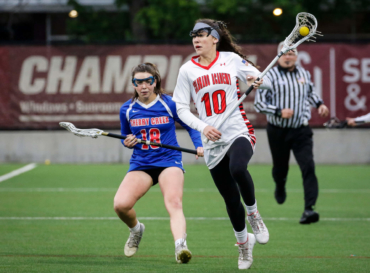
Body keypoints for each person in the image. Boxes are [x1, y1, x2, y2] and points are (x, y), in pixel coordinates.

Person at [172, 19, 271, 270]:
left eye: (202, 34)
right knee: (229, 198)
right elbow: (181, 109)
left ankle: (255, 215)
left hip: (238, 130)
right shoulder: (187, 70)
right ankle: (244, 244)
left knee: (238, 169)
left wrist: (258, 81)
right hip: (211, 140)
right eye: (193, 35)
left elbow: (263, 80)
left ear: (214, 38)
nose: (196, 39)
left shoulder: (231, 60)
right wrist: (203, 127)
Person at [114, 62, 203, 264]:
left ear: (155, 82)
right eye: (139, 82)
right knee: (121, 205)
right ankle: (136, 230)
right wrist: (126, 141)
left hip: (168, 161)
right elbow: (124, 134)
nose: (144, 86)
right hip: (141, 163)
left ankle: (181, 246)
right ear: (133, 84)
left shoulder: (170, 103)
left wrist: (199, 145)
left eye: (148, 81)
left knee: (174, 202)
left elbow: (191, 126)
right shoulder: (127, 109)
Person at [254, 42, 329, 225]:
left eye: (292, 53)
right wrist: (279, 111)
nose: (288, 57)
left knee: (308, 166)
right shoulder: (269, 76)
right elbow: (259, 104)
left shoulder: (304, 73)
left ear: (296, 56)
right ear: (279, 56)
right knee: (280, 169)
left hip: (301, 130)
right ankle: (280, 185)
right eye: (284, 54)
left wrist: (320, 104)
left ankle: (309, 209)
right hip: (278, 130)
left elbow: (310, 92)